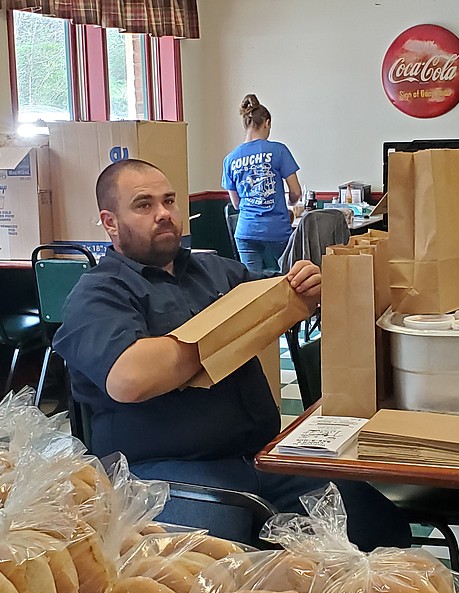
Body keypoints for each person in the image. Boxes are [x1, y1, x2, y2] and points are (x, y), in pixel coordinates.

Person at [53, 158, 411, 551]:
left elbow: (277, 299)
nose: (163, 214)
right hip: (166, 476)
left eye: (169, 201)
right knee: (219, 565)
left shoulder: (215, 271)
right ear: (110, 222)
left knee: (375, 526)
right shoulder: (98, 294)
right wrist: (220, 339)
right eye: (144, 205)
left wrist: (305, 287)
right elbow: (129, 377)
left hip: (261, 458)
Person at [222, 94, 302, 273]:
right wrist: (291, 203)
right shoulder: (279, 150)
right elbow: (295, 191)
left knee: (252, 282)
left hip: (245, 230)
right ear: (266, 123)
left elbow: (236, 204)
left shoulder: (230, 159)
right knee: (290, 276)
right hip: (276, 229)